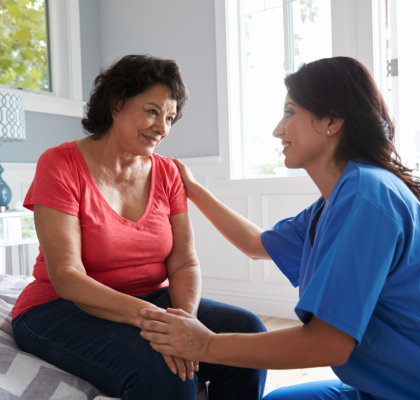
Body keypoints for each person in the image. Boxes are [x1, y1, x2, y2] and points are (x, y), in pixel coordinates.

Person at [137, 56, 420, 400]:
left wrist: (205, 344)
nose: (277, 130)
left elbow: (327, 344)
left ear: (331, 119)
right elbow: (256, 243)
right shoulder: (335, 202)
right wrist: (194, 190)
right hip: (377, 386)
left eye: (290, 113)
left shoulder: (367, 197)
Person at [11, 54, 267, 400]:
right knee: (164, 371)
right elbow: (67, 275)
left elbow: (183, 262)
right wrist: (159, 323)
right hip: (60, 308)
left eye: (170, 117)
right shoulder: (59, 164)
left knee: (249, 335)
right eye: (152, 111)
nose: (162, 128)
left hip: (150, 300)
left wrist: (184, 321)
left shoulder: (167, 172)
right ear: (116, 104)